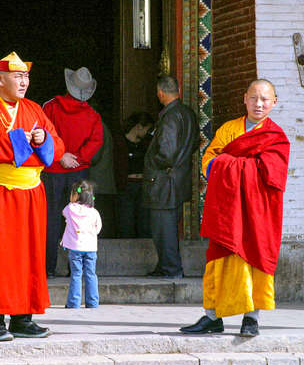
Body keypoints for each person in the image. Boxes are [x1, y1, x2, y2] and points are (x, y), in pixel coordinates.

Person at [0, 52, 65, 341]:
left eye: (26, 76)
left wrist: (44, 140)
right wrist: (18, 140)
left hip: (32, 194)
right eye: (18, 76)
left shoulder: (34, 109)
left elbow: (56, 144)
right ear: (0, 79)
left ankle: (23, 318)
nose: (24, 82)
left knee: (29, 257)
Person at [179, 79, 290, 337]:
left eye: (265, 99)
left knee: (254, 260)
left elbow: (273, 176)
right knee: (219, 261)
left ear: (274, 102)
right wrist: (237, 166)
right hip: (228, 211)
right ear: (244, 99)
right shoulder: (229, 130)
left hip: (257, 213)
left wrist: (232, 163)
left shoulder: (276, 138)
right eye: (254, 98)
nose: (259, 104)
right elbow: (210, 160)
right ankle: (212, 317)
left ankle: (251, 318)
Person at [42, 67, 103, 277]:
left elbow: (43, 135)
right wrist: (78, 159)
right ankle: (74, 269)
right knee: (79, 219)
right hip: (80, 172)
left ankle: (47, 268)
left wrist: (61, 156)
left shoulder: (50, 108)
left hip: (53, 169)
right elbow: (96, 142)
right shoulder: (93, 115)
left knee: (51, 218)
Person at [143, 75, 199, 278]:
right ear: (179, 90)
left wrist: (152, 163)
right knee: (166, 227)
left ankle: (171, 269)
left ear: (160, 93)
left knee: (163, 230)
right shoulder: (188, 114)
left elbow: (166, 153)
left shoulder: (170, 116)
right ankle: (165, 266)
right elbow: (193, 145)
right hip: (179, 179)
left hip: (164, 182)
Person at [61, 180, 102, 308]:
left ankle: (73, 303)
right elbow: (98, 228)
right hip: (90, 248)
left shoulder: (69, 209)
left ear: (75, 195)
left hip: (75, 248)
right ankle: (93, 302)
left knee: (76, 275)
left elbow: (64, 213)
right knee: (91, 274)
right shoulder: (94, 212)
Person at [114, 112, 154, 238]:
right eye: (146, 129)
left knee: (144, 222)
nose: (147, 133)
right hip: (126, 186)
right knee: (126, 221)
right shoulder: (119, 142)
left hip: (143, 185)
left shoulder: (147, 143)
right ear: (138, 127)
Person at [89, 119, 117, 238]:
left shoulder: (96, 127)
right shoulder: (102, 126)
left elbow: (94, 156)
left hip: (98, 182)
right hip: (102, 182)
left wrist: (77, 158)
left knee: (99, 224)